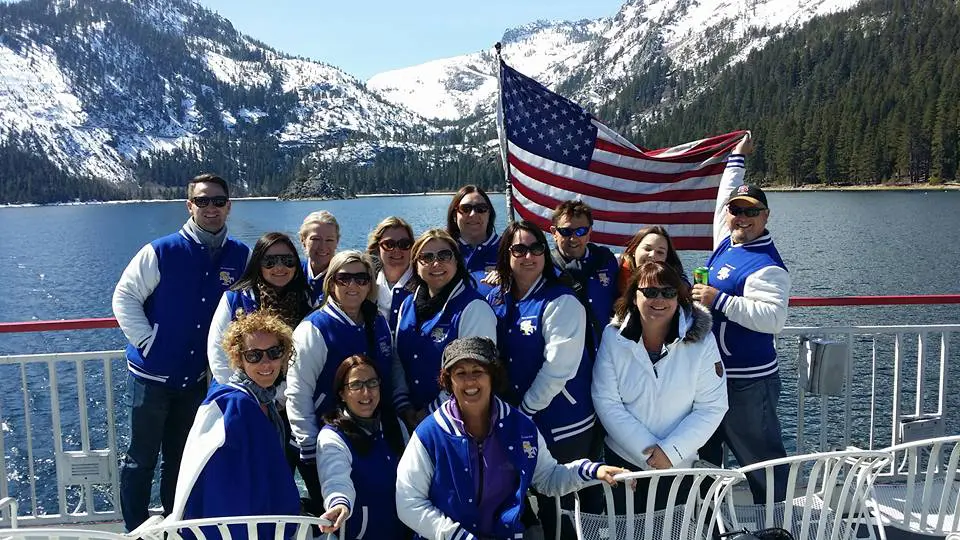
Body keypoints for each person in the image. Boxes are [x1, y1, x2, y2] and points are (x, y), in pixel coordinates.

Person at [111, 173, 249, 532]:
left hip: (196, 378)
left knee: (180, 457)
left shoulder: (239, 255)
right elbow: (125, 297)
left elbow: (245, 307)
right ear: (189, 206)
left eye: (218, 201)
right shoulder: (161, 250)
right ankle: (135, 528)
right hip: (152, 377)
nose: (210, 208)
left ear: (228, 206)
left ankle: (176, 525)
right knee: (141, 458)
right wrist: (148, 342)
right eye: (202, 201)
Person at [395, 336, 627, 540]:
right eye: (460, 374)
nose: (470, 382)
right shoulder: (429, 433)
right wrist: (454, 535)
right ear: (448, 382)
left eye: (478, 372)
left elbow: (547, 478)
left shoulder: (520, 427)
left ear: (492, 377)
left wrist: (591, 471)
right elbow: (408, 502)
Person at [692, 133, 791, 503]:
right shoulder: (727, 240)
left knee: (761, 459)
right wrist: (736, 158)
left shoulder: (768, 267)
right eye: (738, 210)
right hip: (712, 376)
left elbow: (772, 319)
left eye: (752, 211)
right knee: (706, 457)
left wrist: (719, 300)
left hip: (748, 381)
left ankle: (776, 519)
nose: (742, 217)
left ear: (766, 216)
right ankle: (706, 521)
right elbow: (724, 199)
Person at [487, 220, 597, 539]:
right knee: (534, 500)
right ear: (506, 255)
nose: (528, 256)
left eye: (536, 248)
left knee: (567, 506)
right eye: (519, 249)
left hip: (563, 423)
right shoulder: (499, 299)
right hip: (518, 419)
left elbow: (558, 369)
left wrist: (523, 411)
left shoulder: (560, 301)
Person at [592, 261, 727, 511]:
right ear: (634, 296)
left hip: (679, 463)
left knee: (674, 530)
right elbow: (606, 401)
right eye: (650, 292)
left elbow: (712, 406)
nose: (660, 299)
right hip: (623, 463)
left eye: (668, 292)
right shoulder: (613, 337)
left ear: (679, 298)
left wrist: (670, 452)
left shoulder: (702, 342)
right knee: (626, 531)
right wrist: (650, 454)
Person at [171, 310, 300, 530]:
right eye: (254, 355)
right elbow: (224, 492)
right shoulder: (233, 406)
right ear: (238, 358)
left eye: (274, 352)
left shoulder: (264, 401)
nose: (266, 363)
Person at [285, 250, 394, 509]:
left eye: (361, 278)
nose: (353, 285)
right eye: (344, 278)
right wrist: (309, 445)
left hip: (371, 433)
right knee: (337, 510)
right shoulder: (314, 329)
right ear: (331, 282)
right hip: (327, 438)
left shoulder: (377, 321)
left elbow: (392, 367)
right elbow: (298, 392)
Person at [393, 229, 497, 429]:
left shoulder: (474, 308)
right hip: (410, 418)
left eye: (444, 255)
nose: (436, 263)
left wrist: (429, 412)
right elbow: (398, 359)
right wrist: (403, 404)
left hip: (458, 421)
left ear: (456, 261)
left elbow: (475, 374)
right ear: (415, 263)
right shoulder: (407, 305)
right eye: (426, 257)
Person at [316, 355, 411, 539]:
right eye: (356, 385)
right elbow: (335, 479)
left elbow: (414, 473)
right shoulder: (332, 437)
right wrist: (339, 503)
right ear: (342, 394)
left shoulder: (394, 424)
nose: (366, 392)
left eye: (372, 383)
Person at [207, 232, 311, 384]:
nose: (280, 267)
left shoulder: (305, 300)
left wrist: (282, 394)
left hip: (290, 395)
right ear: (257, 264)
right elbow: (219, 356)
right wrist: (249, 394)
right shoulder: (235, 300)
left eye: (288, 260)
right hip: (240, 393)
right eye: (270, 261)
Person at [548, 200, 619, 349]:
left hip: (605, 351)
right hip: (567, 352)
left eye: (581, 231)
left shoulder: (606, 260)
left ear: (589, 232)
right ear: (554, 233)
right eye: (566, 232)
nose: (573, 238)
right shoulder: (544, 266)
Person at [446, 185, 498, 295]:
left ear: (489, 213)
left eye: (481, 209)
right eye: (465, 209)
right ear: (454, 215)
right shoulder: (443, 249)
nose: (473, 214)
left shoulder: (509, 248)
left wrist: (507, 277)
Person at [367, 217, 415, 330]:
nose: (397, 250)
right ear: (377, 248)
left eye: (404, 244)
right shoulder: (365, 282)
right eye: (389, 244)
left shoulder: (424, 283)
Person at [616, 225, 688, 295]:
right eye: (647, 249)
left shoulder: (677, 282)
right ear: (634, 250)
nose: (652, 255)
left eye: (660, 252)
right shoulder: (615, 264)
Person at [299, 210, 340, 307]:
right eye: (316, 239)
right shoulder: (292, 272)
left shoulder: (345, 277)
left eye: (329, 240)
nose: (323, 247)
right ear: (303, 240)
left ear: (337, 241)